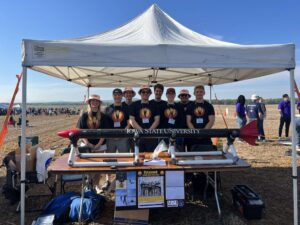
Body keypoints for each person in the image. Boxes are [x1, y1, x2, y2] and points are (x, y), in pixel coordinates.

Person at [129, 84, 160, 152]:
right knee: (138, 158)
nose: (145, 93)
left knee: (151, 159)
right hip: (138, 136)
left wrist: (148, 132)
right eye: (143, 92)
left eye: (147, 92)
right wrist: (142, 131)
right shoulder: (134, 105)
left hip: (151, 136)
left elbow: (157, 120)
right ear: (140, 93)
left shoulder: (154, 105)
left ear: (150, 94)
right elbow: (131, 120)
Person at [186, 85, 215, 151]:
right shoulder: (190, 106)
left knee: (207, 156)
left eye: (201, 92)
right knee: (192, 156)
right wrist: (195, 133)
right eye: (197, 92)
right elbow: (188, 121)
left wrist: (203, 133)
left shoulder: (209, 106)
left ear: (204, 93)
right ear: (194, 93)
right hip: (193, 136)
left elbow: (211, 121)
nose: (199, 93)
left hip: (206, 136)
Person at [105, 88, 131, 153]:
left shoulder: (127, 108)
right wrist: (111, 136)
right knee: (110, 159)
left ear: (122, 96)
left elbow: (129, 122)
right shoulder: (108, 109)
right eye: (115, 95)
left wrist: (123, 133)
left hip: (123, 137)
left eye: (119, 95)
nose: (117, 96)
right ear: (113, 96)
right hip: (110, 138)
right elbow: (106, 124)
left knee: (124, 158)